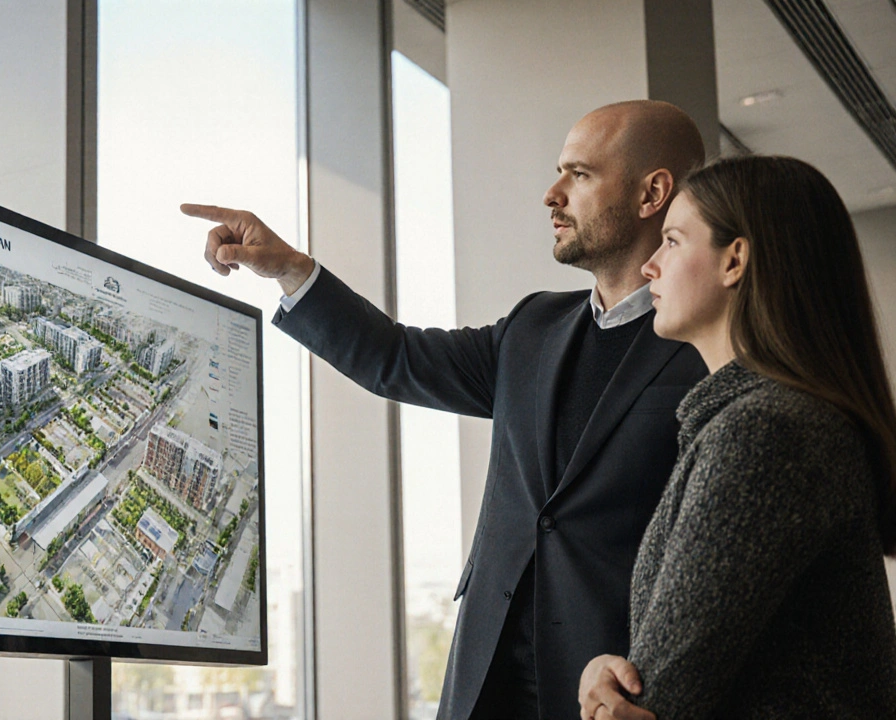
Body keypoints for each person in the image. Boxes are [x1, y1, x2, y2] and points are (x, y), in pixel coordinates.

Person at [182, 100, 710, 719]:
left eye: (580, 174)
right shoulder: (533, 326)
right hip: (485, 682)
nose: (552, 194)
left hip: (616, 693)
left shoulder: (709, 346)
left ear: (653, 194)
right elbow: (396, 356)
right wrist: (291, 270)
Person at [577, 155, 896, 720]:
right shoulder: (769, 421)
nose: (650, 266)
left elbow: (661, 702)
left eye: (672, 241)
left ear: (735, 260)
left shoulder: (766, 432)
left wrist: (621, 695)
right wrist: (608, 672)